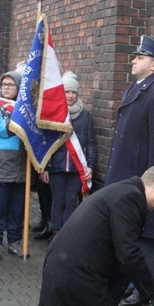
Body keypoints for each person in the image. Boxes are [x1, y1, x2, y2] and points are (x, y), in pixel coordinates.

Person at [22, 165, 154, 306]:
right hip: (77, 273)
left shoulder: (125, 190)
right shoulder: (131, 197)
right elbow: (128, 254)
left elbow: (122, 256)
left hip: (72, 266)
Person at [106, 35, 154, 306]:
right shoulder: (138, 87)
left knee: (146, 233)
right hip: (127, 175)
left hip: (142, 179)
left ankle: (145, 289)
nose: (134, 60)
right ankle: (129, 282)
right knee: (128, 231)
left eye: (140, 57)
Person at [39, 71, 97, 238]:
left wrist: (91, 166)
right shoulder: (53, 116)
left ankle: (68, 236)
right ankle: (56, 234)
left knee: (71, 201)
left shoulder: (86, 117)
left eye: (73, 92)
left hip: (76, 167)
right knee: (57, 201)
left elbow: (91, 144)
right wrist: (44, 167)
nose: (70, 95)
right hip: (56, 167)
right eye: (67, 92)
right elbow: (46, 143)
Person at [0, 70, 28, 261]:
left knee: (16, 209)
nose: (7, 88)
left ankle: (15, 241)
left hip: (20, 165)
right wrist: (23, 122)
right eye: (5, 85)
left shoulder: (25, 108)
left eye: (11, 85)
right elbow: (0, 129)